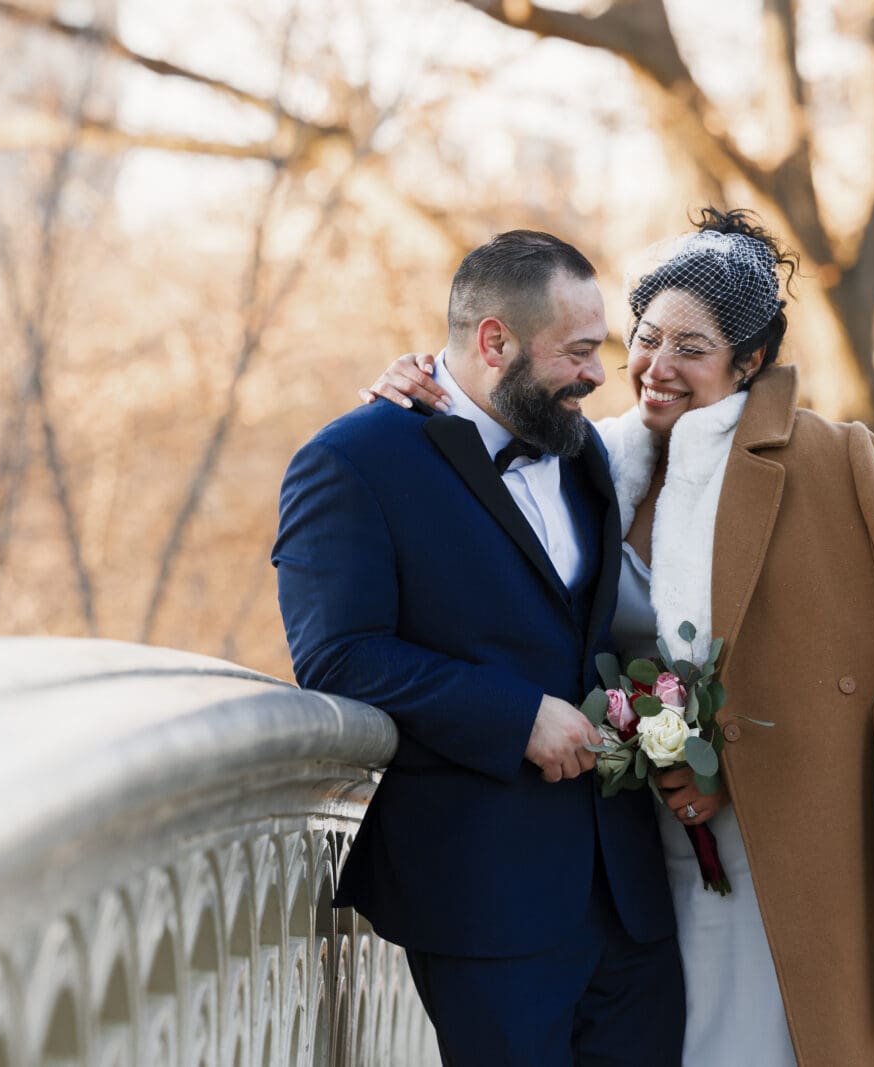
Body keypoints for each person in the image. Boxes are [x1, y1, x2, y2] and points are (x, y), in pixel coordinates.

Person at [361, 208, 874, 1066]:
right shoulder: (588, 461)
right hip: (635, 849)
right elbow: (476, 460)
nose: (655, 368)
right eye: (644, 337)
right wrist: (413, 385)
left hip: (794, 838)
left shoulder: (837, 462)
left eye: (693, 348)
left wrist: (745, 773)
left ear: (749, 362)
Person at [273, 230, 686, 1066]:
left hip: (631, 899)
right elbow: (338, 657)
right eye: (579, 351)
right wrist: (513, 716)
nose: (600, 374)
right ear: (494, 341)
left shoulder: (583, 454)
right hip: (484, 897)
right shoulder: (350, 462)